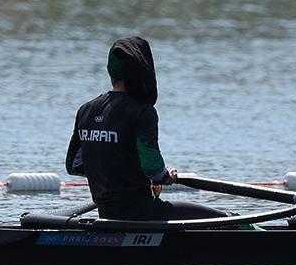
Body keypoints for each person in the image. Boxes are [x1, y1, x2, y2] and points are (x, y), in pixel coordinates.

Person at [66, 36, 224, 223]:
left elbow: (74, 166)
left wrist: (110, 167)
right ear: (143, 70)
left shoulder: (86, 110)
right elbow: (153, 168)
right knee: (225, 218)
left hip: (107, 214)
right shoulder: (142, 112)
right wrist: (165, 177)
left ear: (111, 71)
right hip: (142, 213)